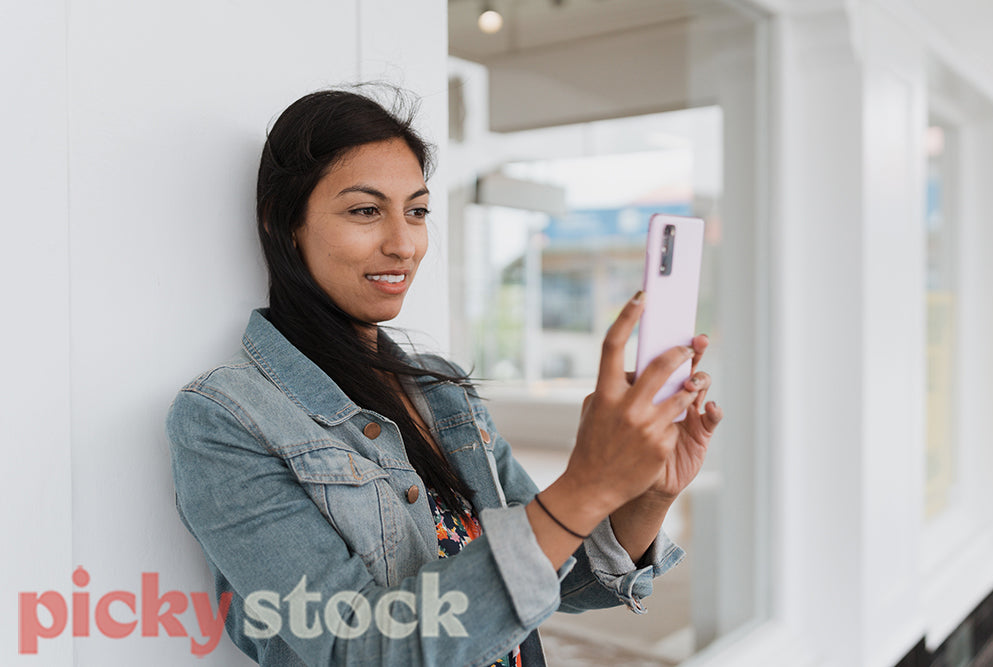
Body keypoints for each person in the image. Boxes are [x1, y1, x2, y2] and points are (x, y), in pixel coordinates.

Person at [165, 87, 722, 666]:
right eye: (365, 210)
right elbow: (359, 649)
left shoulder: (440, 388)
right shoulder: (224, 419)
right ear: (285, 223)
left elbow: (553, 578)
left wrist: (647, 494)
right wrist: (587, 485)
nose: (403, 244)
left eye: (417, 211)